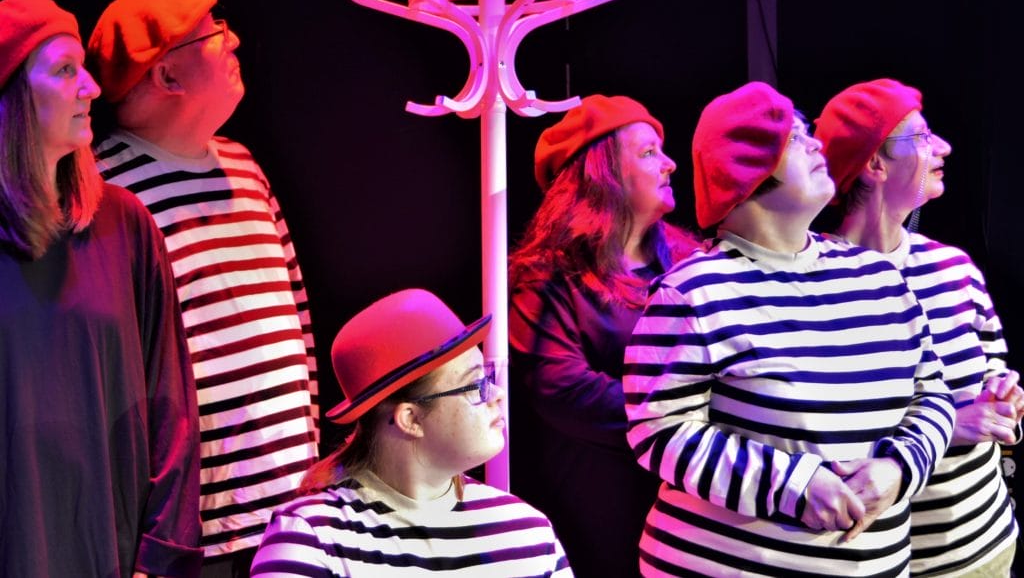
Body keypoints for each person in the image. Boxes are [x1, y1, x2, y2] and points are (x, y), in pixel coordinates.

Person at [624, 81, 956, 576]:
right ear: (746, 168)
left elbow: (933, 394)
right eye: (795, 137)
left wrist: (899, 468)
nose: (818, 144)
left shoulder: (878, 275)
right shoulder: (694, 291)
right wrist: (794, 484)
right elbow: (658, 429)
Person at [87, 0, 319, 576]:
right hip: (199, 530)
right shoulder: (104, 194)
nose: (234, 38)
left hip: (295, 508)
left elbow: (296, 315)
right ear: (167, 77)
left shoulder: (244, 164)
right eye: (215, 33)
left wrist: (313, 454)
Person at [0, 0, 201, 577]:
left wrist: (160, 557)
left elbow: (173, 404)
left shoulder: (122, 224)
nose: (90, 86)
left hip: (112, 555)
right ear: (14, 96)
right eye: (65, 70)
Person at [815, 77, 1021, 576]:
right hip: (904, 557)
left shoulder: (954, 267)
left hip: (989, 539)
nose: (943, 148)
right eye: (923, 137)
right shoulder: (816, 282)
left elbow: (996, 373)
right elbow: (823, 433)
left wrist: (1005, 398)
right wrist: (952, 423)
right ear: (874, 163)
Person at [249, 288, 573, 576]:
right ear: (410, 418)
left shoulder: (526, 533)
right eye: (476, 385)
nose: (498, 395)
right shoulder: (312, 539)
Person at [508, 94, 698, 578]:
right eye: (649, 152)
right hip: (600, 508)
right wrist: (679, 420)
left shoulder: (692, 260)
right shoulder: (545, 277)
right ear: (603, 172)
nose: (671, 164)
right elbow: (564, 388)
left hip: (691, 499)